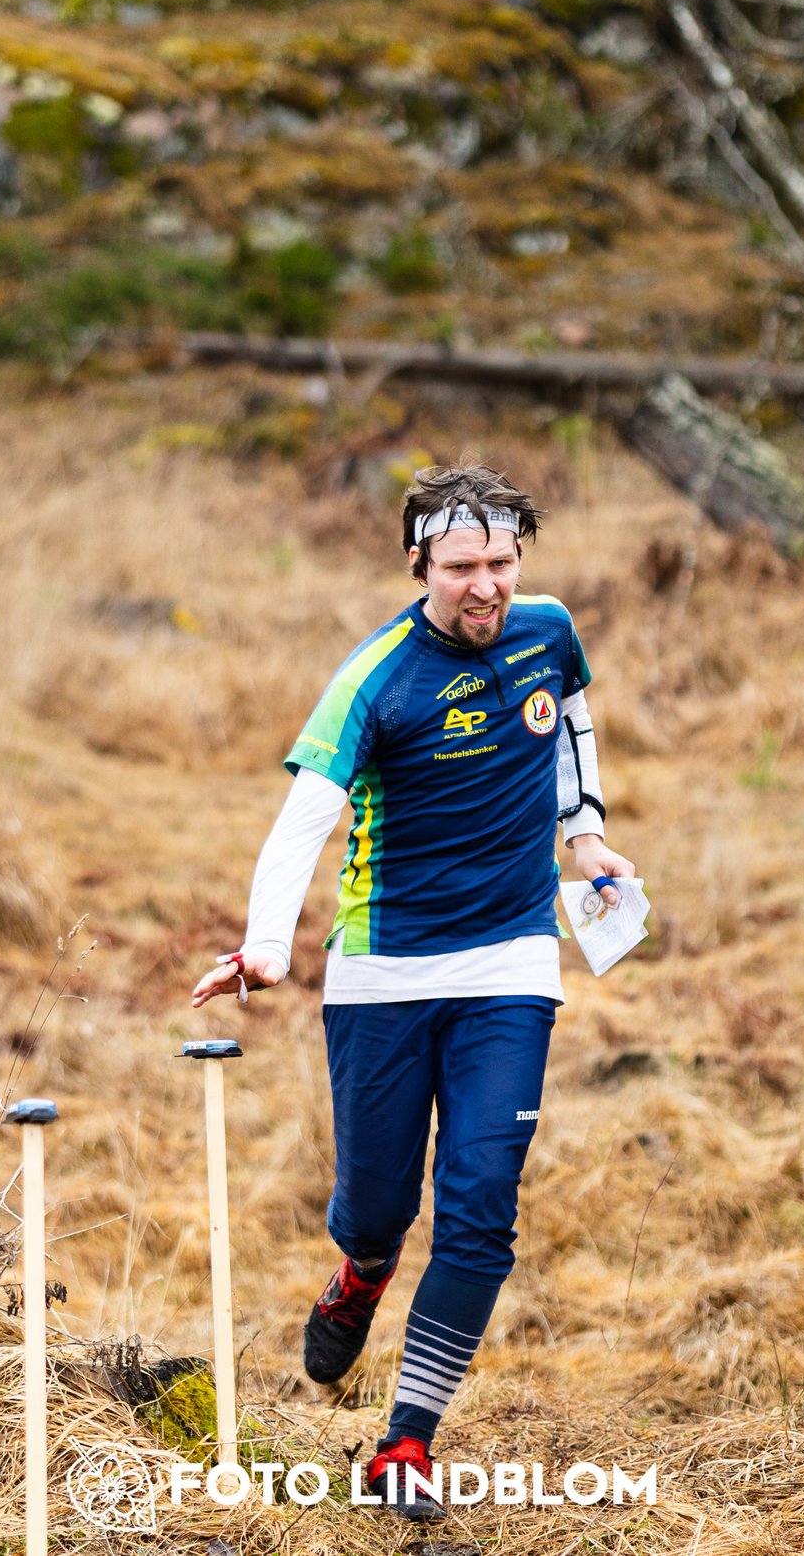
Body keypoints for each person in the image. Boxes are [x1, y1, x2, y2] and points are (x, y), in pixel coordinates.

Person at [190, 463, 638, 1522]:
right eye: (463, 566)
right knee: (381, 1205)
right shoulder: (375, 679)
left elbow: (571, 719)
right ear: (420, 564)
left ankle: (404, 1439)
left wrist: (586, 833)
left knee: (481, 1208)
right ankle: (361, 1271)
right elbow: (303, 818)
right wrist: (265, 946)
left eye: (501, 562)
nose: (485, 584)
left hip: (511, 963)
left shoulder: (548, 628)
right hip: (383, 972)